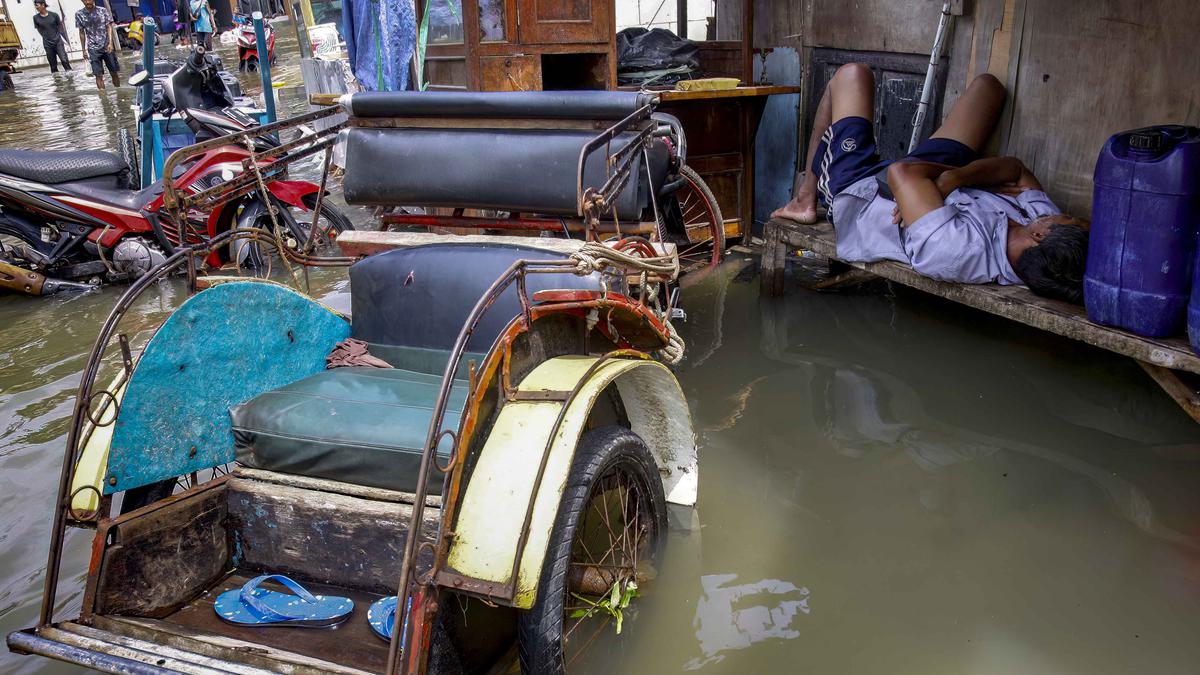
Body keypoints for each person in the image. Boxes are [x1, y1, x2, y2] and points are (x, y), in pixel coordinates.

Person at [772, 64, 1089, 303]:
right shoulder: (1040, 233)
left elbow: (901, 174)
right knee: (988, 89)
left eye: (1068, 219)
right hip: (939, 179)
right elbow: (1017, 169)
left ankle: (804, 196)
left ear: (1038, 235)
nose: (1065, 214)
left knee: (853, 75)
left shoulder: (956, 250)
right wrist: (955, 178)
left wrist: (948, 182)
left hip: (864, 191)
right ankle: (941, 177)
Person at [76, 0, 121, 89]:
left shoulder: (102, 10)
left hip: (106, 46)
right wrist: (83, 50)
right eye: (85, 0)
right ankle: (103, 98)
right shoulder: (79, 14)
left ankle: (118, 92)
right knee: (98, 75)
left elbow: (109, 26)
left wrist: (111, 43)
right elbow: (81, 32)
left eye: (89, 0)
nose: (88, 2)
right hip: (93, 49)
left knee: (114, 72)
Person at [33, 0, 72, 73]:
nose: (36, 7)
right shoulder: (36, 18)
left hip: (58, 42)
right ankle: (57, 81)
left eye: (37, 5)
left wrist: (58, 37)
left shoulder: (54, 15)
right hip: (47, 44)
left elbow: (60, 27)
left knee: (64, 60)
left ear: (43, 5)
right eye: (35, 5)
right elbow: (39, 29)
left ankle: (70, 77)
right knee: (53, 65)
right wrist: (46, 37)